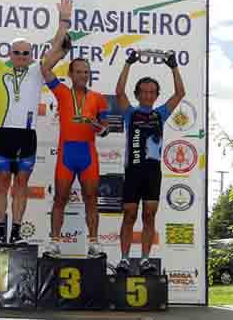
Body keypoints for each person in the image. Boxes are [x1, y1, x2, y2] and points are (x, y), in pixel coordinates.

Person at [0, 0, 73, 244]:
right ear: (10, 54)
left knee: (21, 185)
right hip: (5, 133)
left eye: (26, 53)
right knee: (2, 183)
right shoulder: (0, 69)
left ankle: (15, 232)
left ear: (31, 55)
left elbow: (56, 46)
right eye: (17, 53)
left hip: (27, 135)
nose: (22, 56)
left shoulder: (38, 70)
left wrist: (63, 23)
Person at [42, 26, 110, 257]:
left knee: (91, 198)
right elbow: (44, 68)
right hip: (66, 153)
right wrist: (60, 50)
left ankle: (93, 242)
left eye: (86, 72)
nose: (84, 75)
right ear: (70, 75)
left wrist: (96, 126)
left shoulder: (98, 98)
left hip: (87, 153)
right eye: (79, 72)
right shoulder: (61, 92)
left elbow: (105, 130)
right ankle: (54, 242)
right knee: (60, 198)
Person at [115, 50, 185, 274]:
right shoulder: (130, 113)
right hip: (133, 171)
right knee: (129, 215)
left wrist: (173, 67)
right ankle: (124, 259)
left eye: (151, 92)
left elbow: (180, 93)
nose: (147, 96)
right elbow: (118, 92)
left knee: (149, 215)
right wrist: (128, 63)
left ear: (156, 95)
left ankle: (145, 259)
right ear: (137, 94)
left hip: (153, 173)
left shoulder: (161, 114)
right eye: (143, 92)